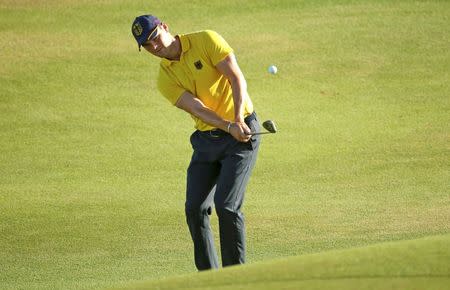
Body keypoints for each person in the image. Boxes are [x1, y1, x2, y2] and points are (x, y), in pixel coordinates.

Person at [131, 15, 261, 271]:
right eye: (147, 46)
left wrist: (236, 120)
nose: (154, 47)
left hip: (242, 133)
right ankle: (209, 278)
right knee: (195, 208)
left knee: (227, 206)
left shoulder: (205, 40)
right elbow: (197, 108)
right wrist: (226, 126)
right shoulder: (165, 78)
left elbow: (236, 77)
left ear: (165, 27)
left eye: (155, 38)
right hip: (207, 140)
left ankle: (236, 278)